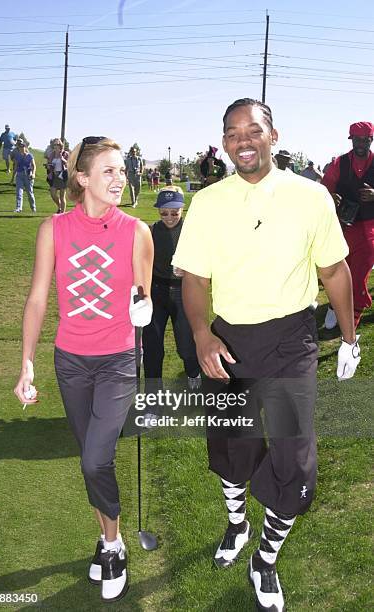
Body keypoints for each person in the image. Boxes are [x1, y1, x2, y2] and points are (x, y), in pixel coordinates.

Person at [172, 98, 360, 612]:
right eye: (231, 133)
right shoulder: (209, 201)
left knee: (294, 459)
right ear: (224, 143)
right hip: (228, 341)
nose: (242, 141)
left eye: (252, 130)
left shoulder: (310, 196)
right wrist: (201, 335)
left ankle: (265, 558)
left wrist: (348, 337)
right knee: (235, 447)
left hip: (290, 343)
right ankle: (236, 527)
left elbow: (335, 271)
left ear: (273, 136)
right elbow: (194, 277)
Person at [13, 136, 153, 602]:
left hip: (117, 361)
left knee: (96, 459)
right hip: (70, 361)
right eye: (109, 171)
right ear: (82, 177)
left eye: (122, 170)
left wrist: (143, 306)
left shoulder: (137, 231)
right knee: (90, 461)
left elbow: (143, 297)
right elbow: (37, 299)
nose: (121, 178)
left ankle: (114, 547)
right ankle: (106, 533)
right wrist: (27, 363)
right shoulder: (53, 228)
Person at [142, 186, 201, 392]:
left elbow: (207, 262)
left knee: (186, 346)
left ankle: (193, 373)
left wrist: (190, 268)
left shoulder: (192, 232)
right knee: (152, 348)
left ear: (183, 209)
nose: (169, 218)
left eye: (174, 213)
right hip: (156, 293)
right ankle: (152, 396)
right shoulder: (150, 231)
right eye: (164, 213)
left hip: (184, 293)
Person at [321, 121, 374, 330]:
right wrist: (331, 196)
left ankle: (352, 320)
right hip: (343, 227)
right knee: (340, 270)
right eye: (357, 139)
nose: (361, 143)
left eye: (366, 139)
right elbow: (324, 189)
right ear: (351, 140)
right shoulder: (339, 163)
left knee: (359, 274)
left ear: (371, 139)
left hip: (370, 227)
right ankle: (335, 305)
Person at [46, 138, 69, 213]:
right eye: (55, 144)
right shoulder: (52, 154)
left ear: (60, 145)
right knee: (53, 194)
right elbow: (49, 163)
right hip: (54, 176)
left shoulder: (65, 153)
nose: (56, 146)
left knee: (62, 196)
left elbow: (69, 164)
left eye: (58, 144)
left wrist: (62, 159)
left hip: (62, 176)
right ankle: (59, 207)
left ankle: (62, 213)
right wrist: (48, 166)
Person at [12, 140, 36, 213]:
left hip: (28, 175)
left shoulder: (29, 155)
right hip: (19, 175)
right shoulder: (17, 156)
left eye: (23, 146)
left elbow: (34, 166)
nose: (21, 148)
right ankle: (18, 208)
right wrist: (13, 177)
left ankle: (33, 208)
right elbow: (15, 167)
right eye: (20, 147)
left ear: (25, 147)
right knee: (19, 192)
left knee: (30, 193)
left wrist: (33, 173)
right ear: (18, 148)